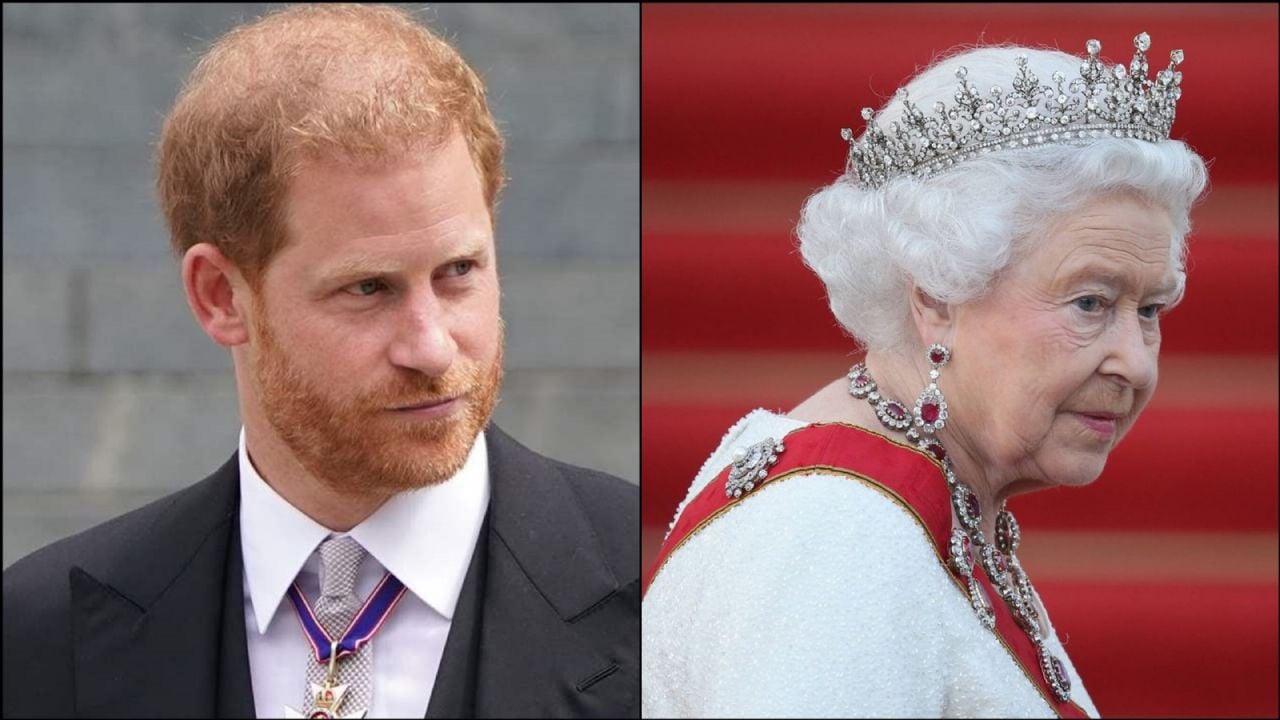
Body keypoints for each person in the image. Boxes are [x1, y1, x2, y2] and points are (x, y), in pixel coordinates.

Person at [2, 5, 637, 718]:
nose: (430, 345)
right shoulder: (41, 639)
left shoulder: (668, 589)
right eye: (368, 288)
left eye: (459, 271)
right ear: (221, 297)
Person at [642, 32, 1207, 718]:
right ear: (937, 297)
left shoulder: (915, 499)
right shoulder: (834, 537)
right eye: (1090, 303)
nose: (1136, 362)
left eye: (1150, 309)